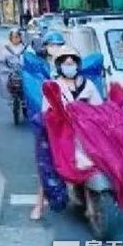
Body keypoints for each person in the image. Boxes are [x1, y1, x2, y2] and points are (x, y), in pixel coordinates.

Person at [31, 47, 102, 221]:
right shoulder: (52, 86)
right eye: (65, 63)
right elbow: (46, 112)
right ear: (59, 66)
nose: (69, 65)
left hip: (84, 133)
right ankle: (39, 205)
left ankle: (91, 201)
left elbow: (99, 108)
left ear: (78, 65)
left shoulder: (88, 85)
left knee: (97, 161)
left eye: (72, 62)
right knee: (47, 167)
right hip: (60, 134)